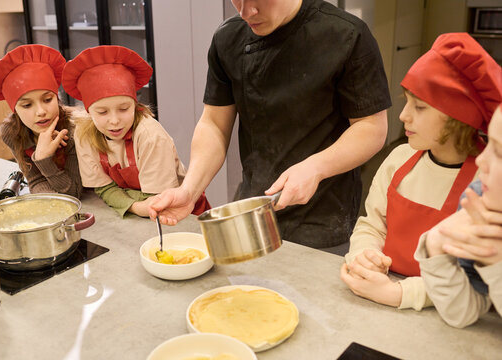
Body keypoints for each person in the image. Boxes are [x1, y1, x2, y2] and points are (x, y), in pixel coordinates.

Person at [149, 0, 391, 252]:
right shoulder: (227, 38)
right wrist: (190, 189)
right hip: (254, 208)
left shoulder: (347, 34)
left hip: (323, 217)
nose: (246, 12)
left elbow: (371, 128)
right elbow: (213, 124)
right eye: (237, 0)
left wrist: (315, 168)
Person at [341, 33, 502, 311]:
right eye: (406, 102)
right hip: (380, 292)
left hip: (440, 311)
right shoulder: (398, 159)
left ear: (456, 118)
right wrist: (364, 255)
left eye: (420, 107)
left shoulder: (486, 183)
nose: (403, 115)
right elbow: (372, 225)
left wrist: (402, 293)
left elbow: (473, 287)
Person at [62, 45, 210, 218]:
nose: (115, 120)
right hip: (139, 215)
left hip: (186, 214)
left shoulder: (150, 135)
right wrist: (136, 206)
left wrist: (122, 197)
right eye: (102, 112)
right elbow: (103, 188)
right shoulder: (84, 135)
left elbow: (156, 201)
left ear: (135, 105)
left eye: (124, 109)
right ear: (88, 111)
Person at [414, 104, 502, 328]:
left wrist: (497, 266)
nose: (482, 160)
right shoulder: (480, 199)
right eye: (487, 140)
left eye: (500, 152)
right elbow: (462, 313)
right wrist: (435, 245)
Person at [0, 44, 82, 198]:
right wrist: (48, 202)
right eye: (27, 105)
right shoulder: (11, 133)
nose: (41, 111)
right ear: (15, 109)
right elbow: (35, 181)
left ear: (57, 98)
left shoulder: (74, 129)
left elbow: (73, 192)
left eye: (48, 99)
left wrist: (43, 159)